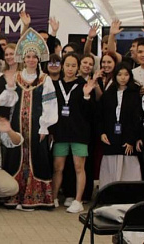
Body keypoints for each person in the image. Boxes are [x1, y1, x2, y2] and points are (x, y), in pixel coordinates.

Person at [0, 28, 56, 210]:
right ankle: (14, 196)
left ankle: (35, 198)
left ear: (39, 59)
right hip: (17, 125)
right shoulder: (15, 77)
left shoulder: (45, 79)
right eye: (28, 56)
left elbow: (50, 104)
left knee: (37, 157)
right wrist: (9, 87)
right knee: (15, 156)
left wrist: (44, 126)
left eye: (34, 57)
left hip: (36, 126)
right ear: (23, 59)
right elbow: (7, 102)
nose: (31, 59)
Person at [50, 53, 95, 213]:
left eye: (73, 66)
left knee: (79, 167)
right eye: (67, 65)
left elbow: (90, 113)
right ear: (62, 66)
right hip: (60, 133)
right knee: (58, 167)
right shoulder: (55, 85)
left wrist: (87, 96)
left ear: (78, 68)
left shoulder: (84, 84)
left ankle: (78, 200)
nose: (70, 69)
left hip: (79, 134)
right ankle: (53, 197)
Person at [99, 63, 142, 188]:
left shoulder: (135, 93)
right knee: (110, 168)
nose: (123, 78)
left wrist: (131, 140)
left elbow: (137, 119)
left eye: (126, 74)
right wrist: (101, 132)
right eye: (119, 75)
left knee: (129, 169)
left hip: (127, 138)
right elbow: (100, 115)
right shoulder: (108, 93)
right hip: (110, 137)